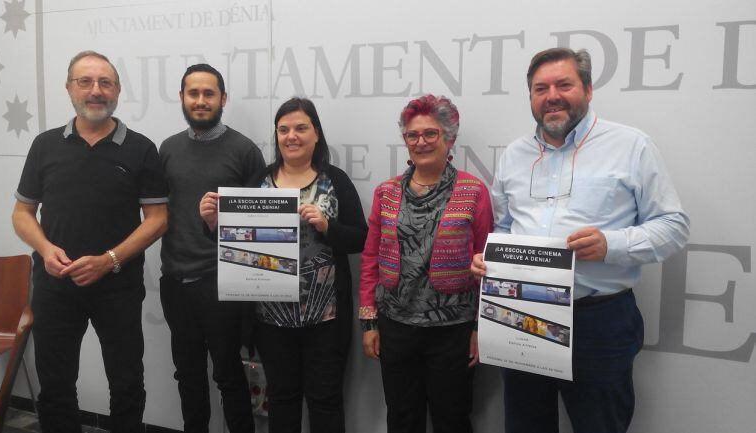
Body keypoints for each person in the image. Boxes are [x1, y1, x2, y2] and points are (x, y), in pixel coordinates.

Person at [471, 47, 690, 433]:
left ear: (588, 90)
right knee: (525, 424)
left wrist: (612, 244)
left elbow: (673, 225)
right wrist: (489, 259)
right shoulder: (514, 155)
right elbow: (504, 226)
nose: (551, 95)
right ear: (531, 98)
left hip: (598, 321)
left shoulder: (631, 145)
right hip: (521, 312)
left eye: (564, 84)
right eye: (540, 88)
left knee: (599, 425)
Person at [11, 50, 168, 433]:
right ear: (69, 89)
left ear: (117, 91)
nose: (95, 91)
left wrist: (108, 260)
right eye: (85, 82)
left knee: (127, 382)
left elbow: (159, 220)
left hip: (118, 286)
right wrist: (46, 250)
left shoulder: (141, 148)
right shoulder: (45, 145)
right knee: (56, 384)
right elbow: (22, 213)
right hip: (55, 284)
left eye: (105, 83)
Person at [199, 97, 367, 433]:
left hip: (326, 316)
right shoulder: (259, 181)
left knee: (325, 399)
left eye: (301, 128)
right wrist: (214, 222)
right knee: (282, 397)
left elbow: (361, 238)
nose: (292, 136)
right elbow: (236, 244)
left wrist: (327, 226)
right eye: (284, 129)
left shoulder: (335, 181)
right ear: (276, 135)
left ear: (316, 134)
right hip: (270, 316)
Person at [359, 94, 494, 433]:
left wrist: (480, 328)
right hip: (396, 326)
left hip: (453, 330)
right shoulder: (385, 193)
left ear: (449, 138)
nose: (421, 142)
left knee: (452, 419)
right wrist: (369, 323)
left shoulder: (473, 192)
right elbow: (371, 259)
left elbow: (486, 264)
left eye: (431, 134)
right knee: (402, 419)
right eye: (412, 135)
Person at [158, 64, 265, 433]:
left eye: (209, 94)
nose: (201, 101)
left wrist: (220, 224)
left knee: (228, 374)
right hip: (174, 280)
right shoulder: (167, 149)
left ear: (223, 99)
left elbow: (260, 227)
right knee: (187, 373)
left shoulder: (244, 151)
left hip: (222, 281)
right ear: (182, 97)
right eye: (193, 93)